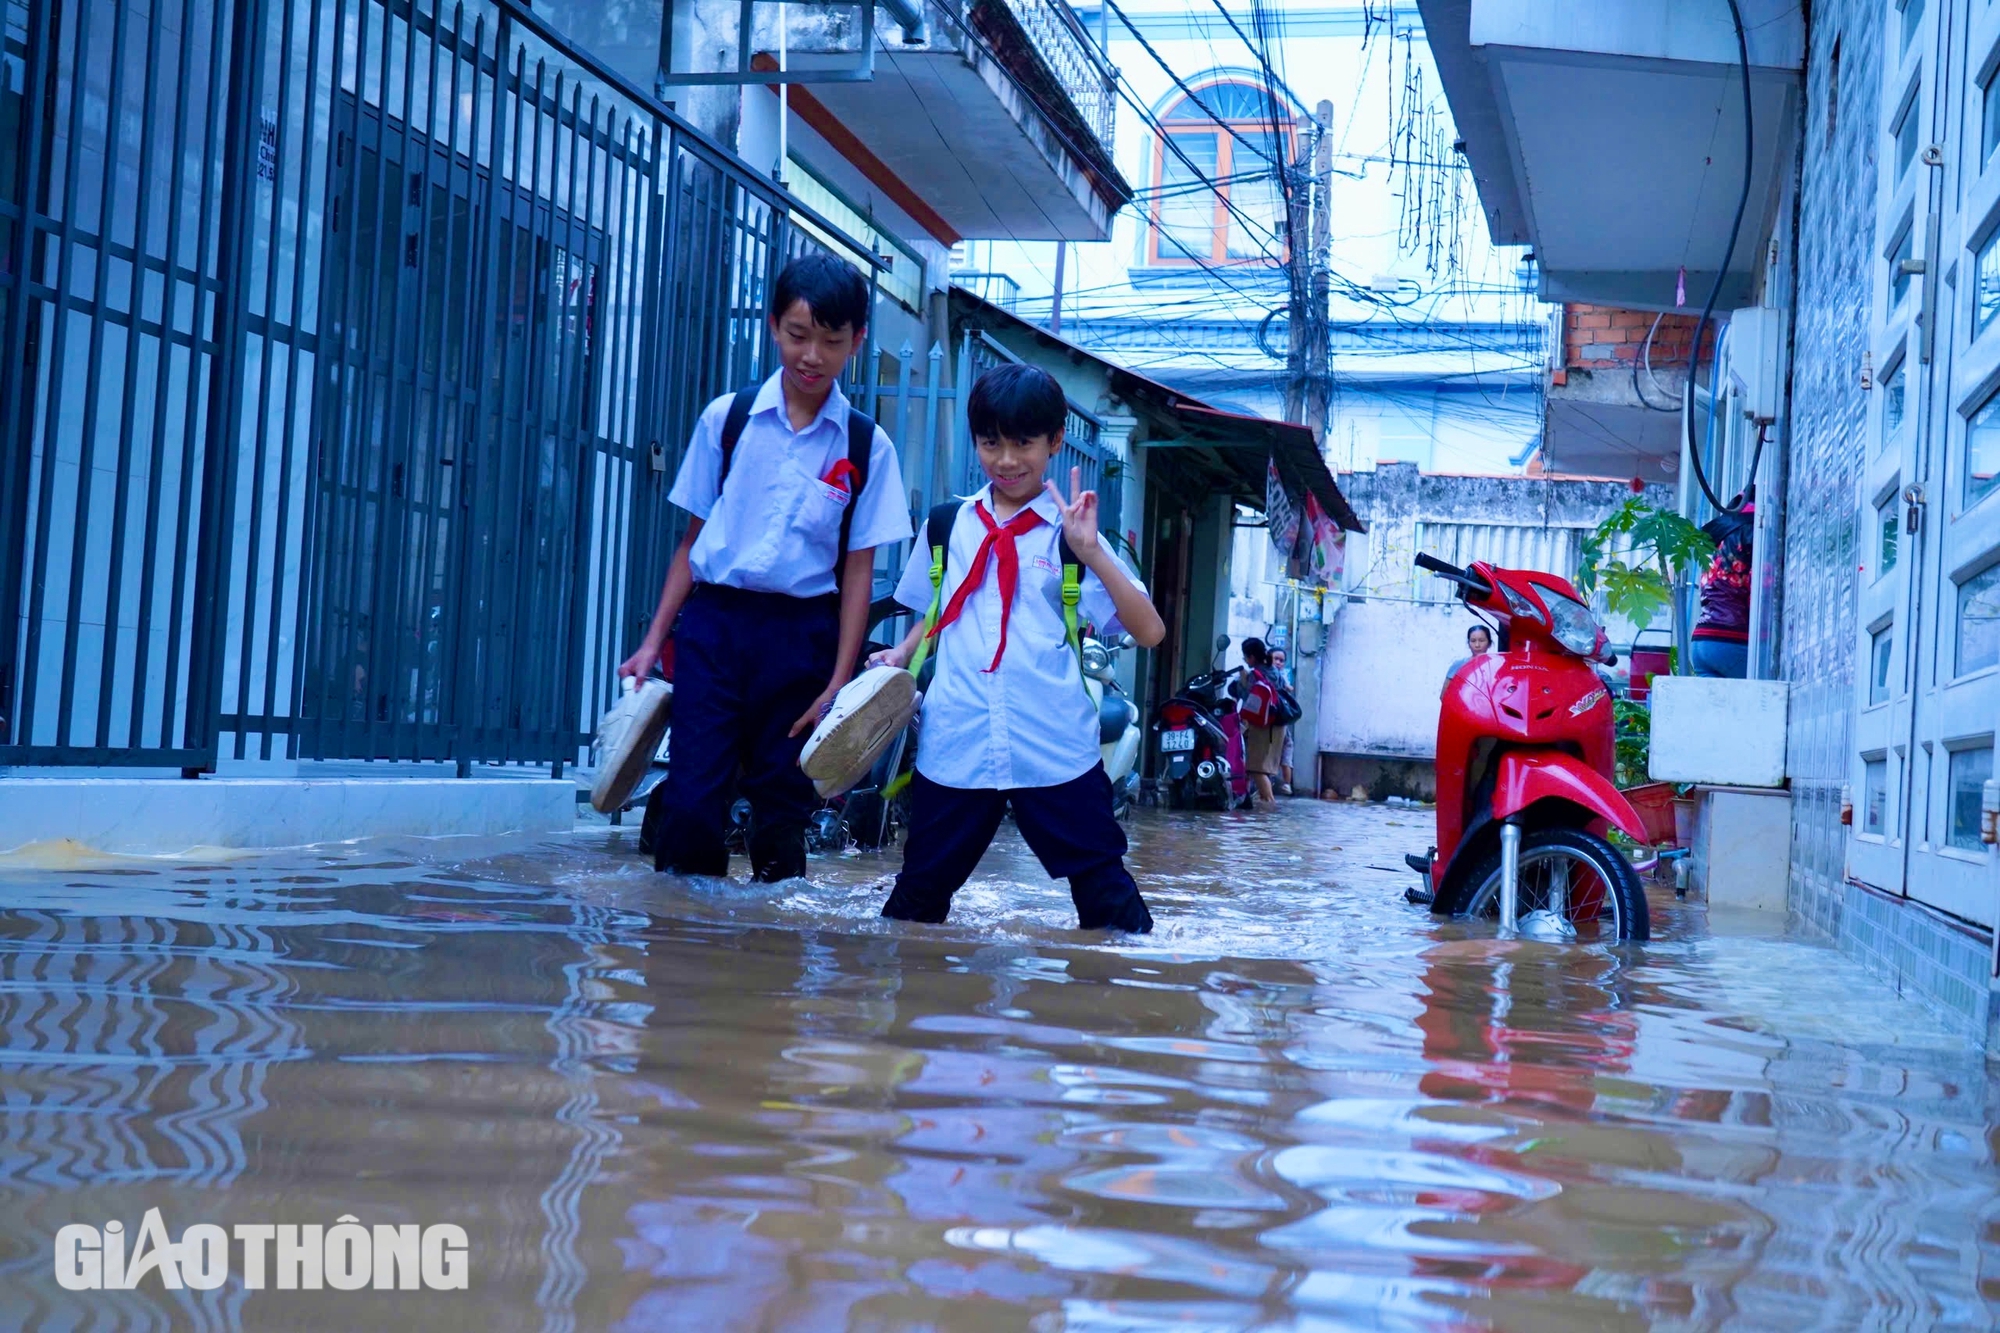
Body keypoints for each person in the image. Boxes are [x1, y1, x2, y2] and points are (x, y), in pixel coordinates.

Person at [619, 253, 911, 881]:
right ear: (774, 326)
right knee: (693, 804)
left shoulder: (866, 446)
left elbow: (858, 572)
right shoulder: (726, 420)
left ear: (856, 342)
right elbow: (691, 544)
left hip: (802, 639)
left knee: (782, 816)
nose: (812, 355)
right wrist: (651, 643)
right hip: (715, 628)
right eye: (798, 335)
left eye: (831, 341)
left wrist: (837, 683)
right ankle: (682, 954)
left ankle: (770, 962)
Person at [870, 364, 1165, 932]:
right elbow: (936, 612)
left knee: (1110, 904)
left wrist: (1095, 552)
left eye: (1023, 442)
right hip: (957, 745)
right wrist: (899, 653)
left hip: (1052, 745)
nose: (1006, 460)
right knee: (913, 907)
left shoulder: (1073, 535)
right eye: (991, 443)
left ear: (1055, 441)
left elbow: (1149, 631)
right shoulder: (945, 526)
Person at [1692, 492, 1754, 678]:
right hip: (1732, 639)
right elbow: (1763, 592)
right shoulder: (1753, 532)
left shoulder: (1719, 536)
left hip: (1702, 642)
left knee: (1714, 707)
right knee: (1760, 703)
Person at [1233, 638, 1283, 805]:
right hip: (1276, 724)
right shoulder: (1274, 671)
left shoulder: (1255, 675)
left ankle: (1268, 808)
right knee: (1261, 768)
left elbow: (1249, 698)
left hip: (1262, 724)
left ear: (1251, 657)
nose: (1245, 660)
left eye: (1245, 657)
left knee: (1257, 768)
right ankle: (1257, 806)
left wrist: (1242, 680)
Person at [1269, 646, 1296, 796]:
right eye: (1276, 659)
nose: (1279, 663)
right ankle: (1284, 783)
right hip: (1274, 720)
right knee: (1284, 747)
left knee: (1285, 747)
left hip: (1277, 720)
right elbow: (1289, 688)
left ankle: (1286, 783)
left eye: (1281, 660)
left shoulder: (1278, 675)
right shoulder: (1273, 675)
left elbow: (1289, 688)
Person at [1442, 623, 1492, 694]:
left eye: (1481, 640)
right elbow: (1444, 695)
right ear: (1468, 643)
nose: (1477, 645)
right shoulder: (1459, 665)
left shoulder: (1495, 665)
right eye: (1473, 641)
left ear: (1489, 643)